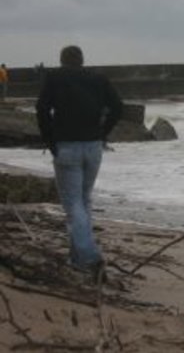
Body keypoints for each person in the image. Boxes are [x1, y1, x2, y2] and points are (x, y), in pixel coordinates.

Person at [35, 45, 123, 277]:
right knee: (83, 200)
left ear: (62, 61)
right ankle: (77, 257)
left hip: (66, 146)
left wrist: (49, 140)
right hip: (93, 146)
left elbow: (41, 109)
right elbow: (118, 107)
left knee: (73, 204)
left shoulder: (54, 77)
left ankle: (89, 257)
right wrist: (103, 133)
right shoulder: (98, 78)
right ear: (82, 60)